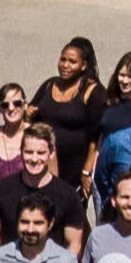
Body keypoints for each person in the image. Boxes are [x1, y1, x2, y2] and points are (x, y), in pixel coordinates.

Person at [0, 123, 89, 251]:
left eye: (40, 153)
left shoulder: (68, 196)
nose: (34, 159)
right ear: (21, 152)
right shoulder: (3, 189)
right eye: (29, 152)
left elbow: (74, 244)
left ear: (51, 153)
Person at [29, 38, 108, 178]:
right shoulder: (49, 84)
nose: (65, 65)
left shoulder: (93, 92)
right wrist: (27, 113)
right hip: (41, 163)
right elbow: (30, 114)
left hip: (74, 169)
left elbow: (96, 137)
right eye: (62, 59)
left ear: (84, 66)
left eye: (72, 62)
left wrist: (87, 171)